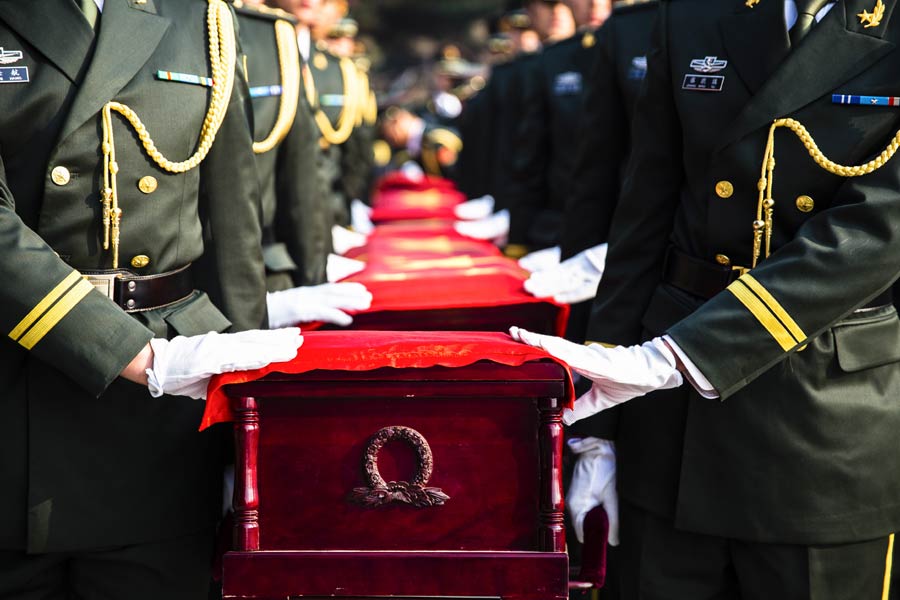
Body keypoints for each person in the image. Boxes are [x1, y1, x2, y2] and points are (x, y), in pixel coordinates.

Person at [513, 0, 900, 597]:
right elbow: (644, 213)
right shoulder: (694, 14)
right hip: (668, 428)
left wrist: (674, 355)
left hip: (822, 420)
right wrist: (601, 428)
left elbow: (876, 232)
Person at [0, 1, 303, 598]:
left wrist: (244, 422)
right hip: (18, 383)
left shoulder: (202, 18)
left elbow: (231, 229)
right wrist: (132, 354)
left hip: (167, 408)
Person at [234, 0, 371, 326]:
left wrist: (316, 270)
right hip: (241, 268)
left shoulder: (278, 42)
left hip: (275, 256)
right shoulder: (260, 35)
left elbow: (311, 173)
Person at [379, 106, 463, 180]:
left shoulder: (436, 139)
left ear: (402, 118)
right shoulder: (406, 155)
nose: (391, 135)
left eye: (393, 124)